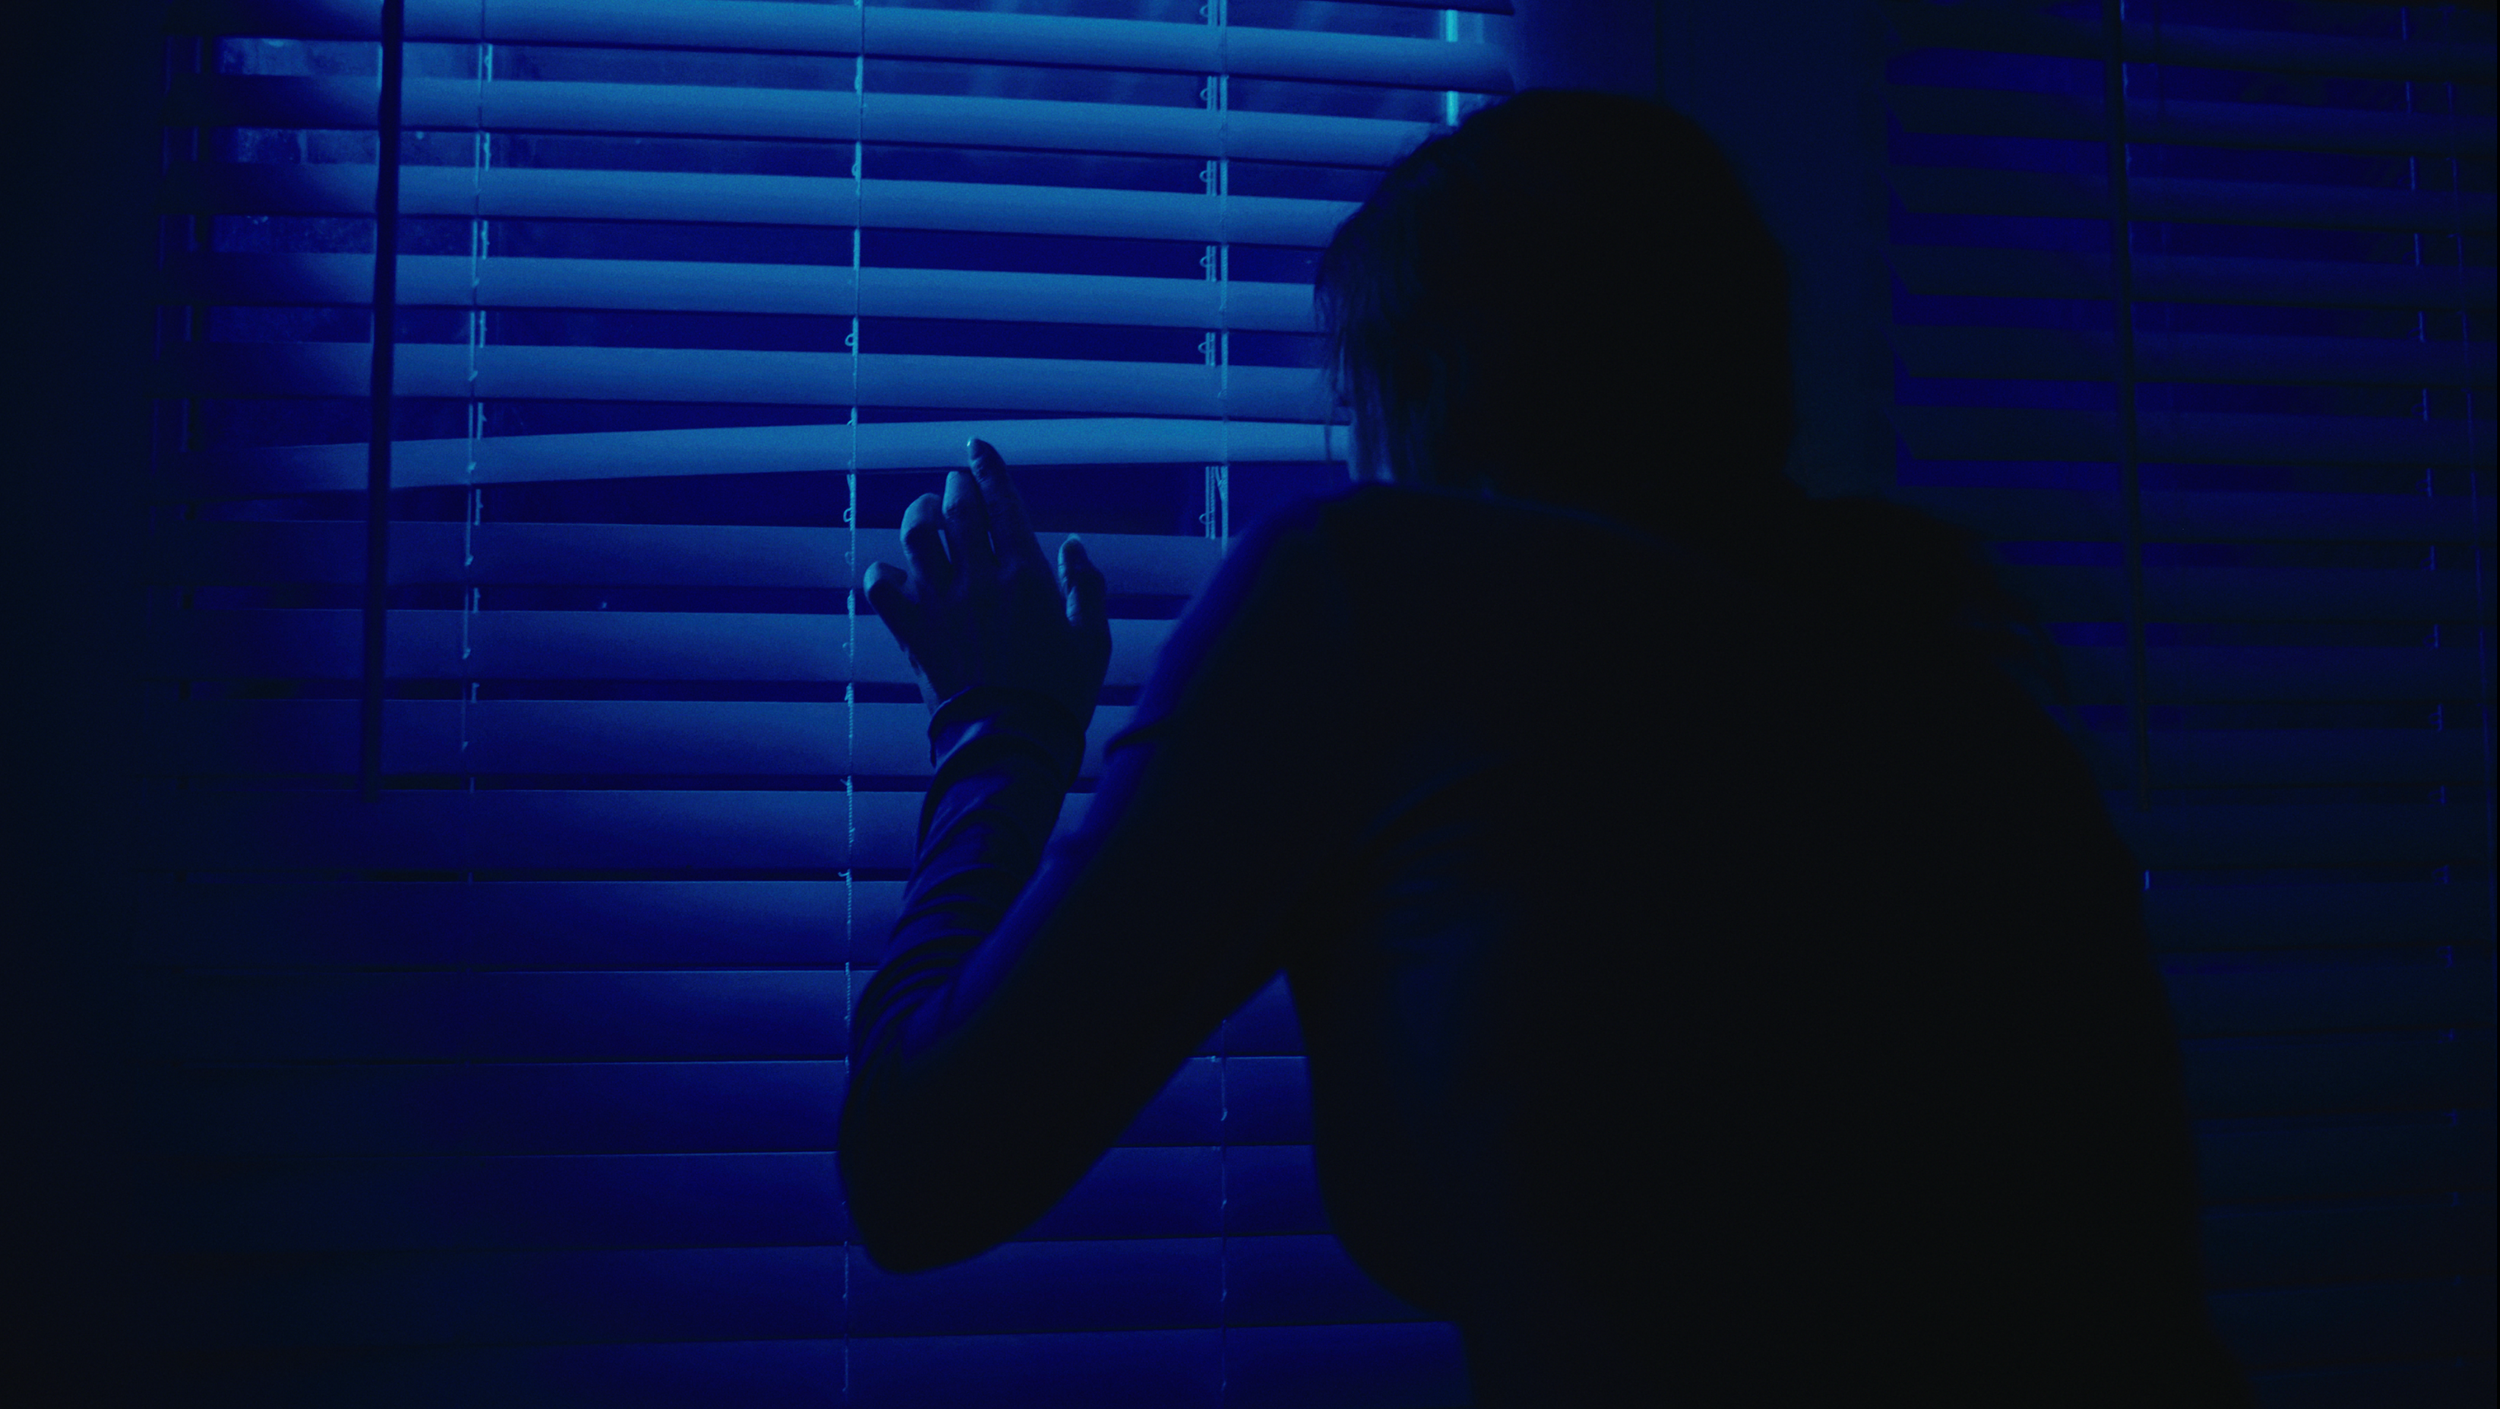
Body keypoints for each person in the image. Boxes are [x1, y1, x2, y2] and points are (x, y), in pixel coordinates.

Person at [838, 91, 2252, 1407]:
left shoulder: (1371, 590)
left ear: (1433, 393)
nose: (1351, 460)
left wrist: (998, 718)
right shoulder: (1982, 726)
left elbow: (920, 1167)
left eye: (1357, 410)